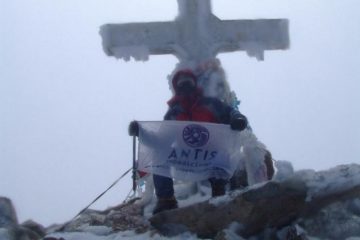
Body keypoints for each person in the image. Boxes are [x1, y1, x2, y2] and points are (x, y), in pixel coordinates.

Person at [129, 69, 248, 214]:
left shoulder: (211, 104)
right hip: (187, 157)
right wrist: (141, 132)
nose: (185, 84)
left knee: (226, 157)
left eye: (188, 80)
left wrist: (238, 119)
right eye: (181, 82)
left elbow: (230, 113)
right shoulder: (174, 113)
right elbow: (160, 142)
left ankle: (219, 194)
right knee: (160, 155)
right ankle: (166, 200)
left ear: (195, 84)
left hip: (212, 155)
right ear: (176, 86)